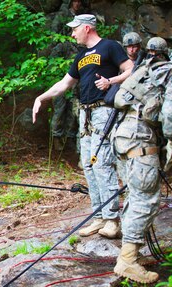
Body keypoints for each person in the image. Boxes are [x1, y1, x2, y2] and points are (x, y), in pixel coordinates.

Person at [32, 14, 133, 238]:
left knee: (102, 163)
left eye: (75, 29)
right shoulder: (80, 56)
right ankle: (99, 216)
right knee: (88, 165)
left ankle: (112, 220)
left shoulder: (109, 47)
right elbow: (65, 84)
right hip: (85, 114)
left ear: (87, 28)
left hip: (104, 112)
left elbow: (131, 69)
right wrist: (42, 97)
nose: (72, 33)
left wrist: (111, 81)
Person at [110, 37, 171, 284]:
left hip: (122, 137)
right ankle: (127, 260)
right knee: (146, 199)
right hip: (141, 141)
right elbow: (169, 115)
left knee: (135, 195)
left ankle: (130, 252)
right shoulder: (168, 73)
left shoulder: (143, 71)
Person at [49, 0, 85, 151]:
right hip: (61, 74)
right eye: (75, 1)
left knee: (73, 108)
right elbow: (53, 35)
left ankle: (70, 137)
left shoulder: (81, 44)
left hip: (76, 78)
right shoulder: (62, 18)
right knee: (60, 107)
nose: (78, 4)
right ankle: (56, 136)